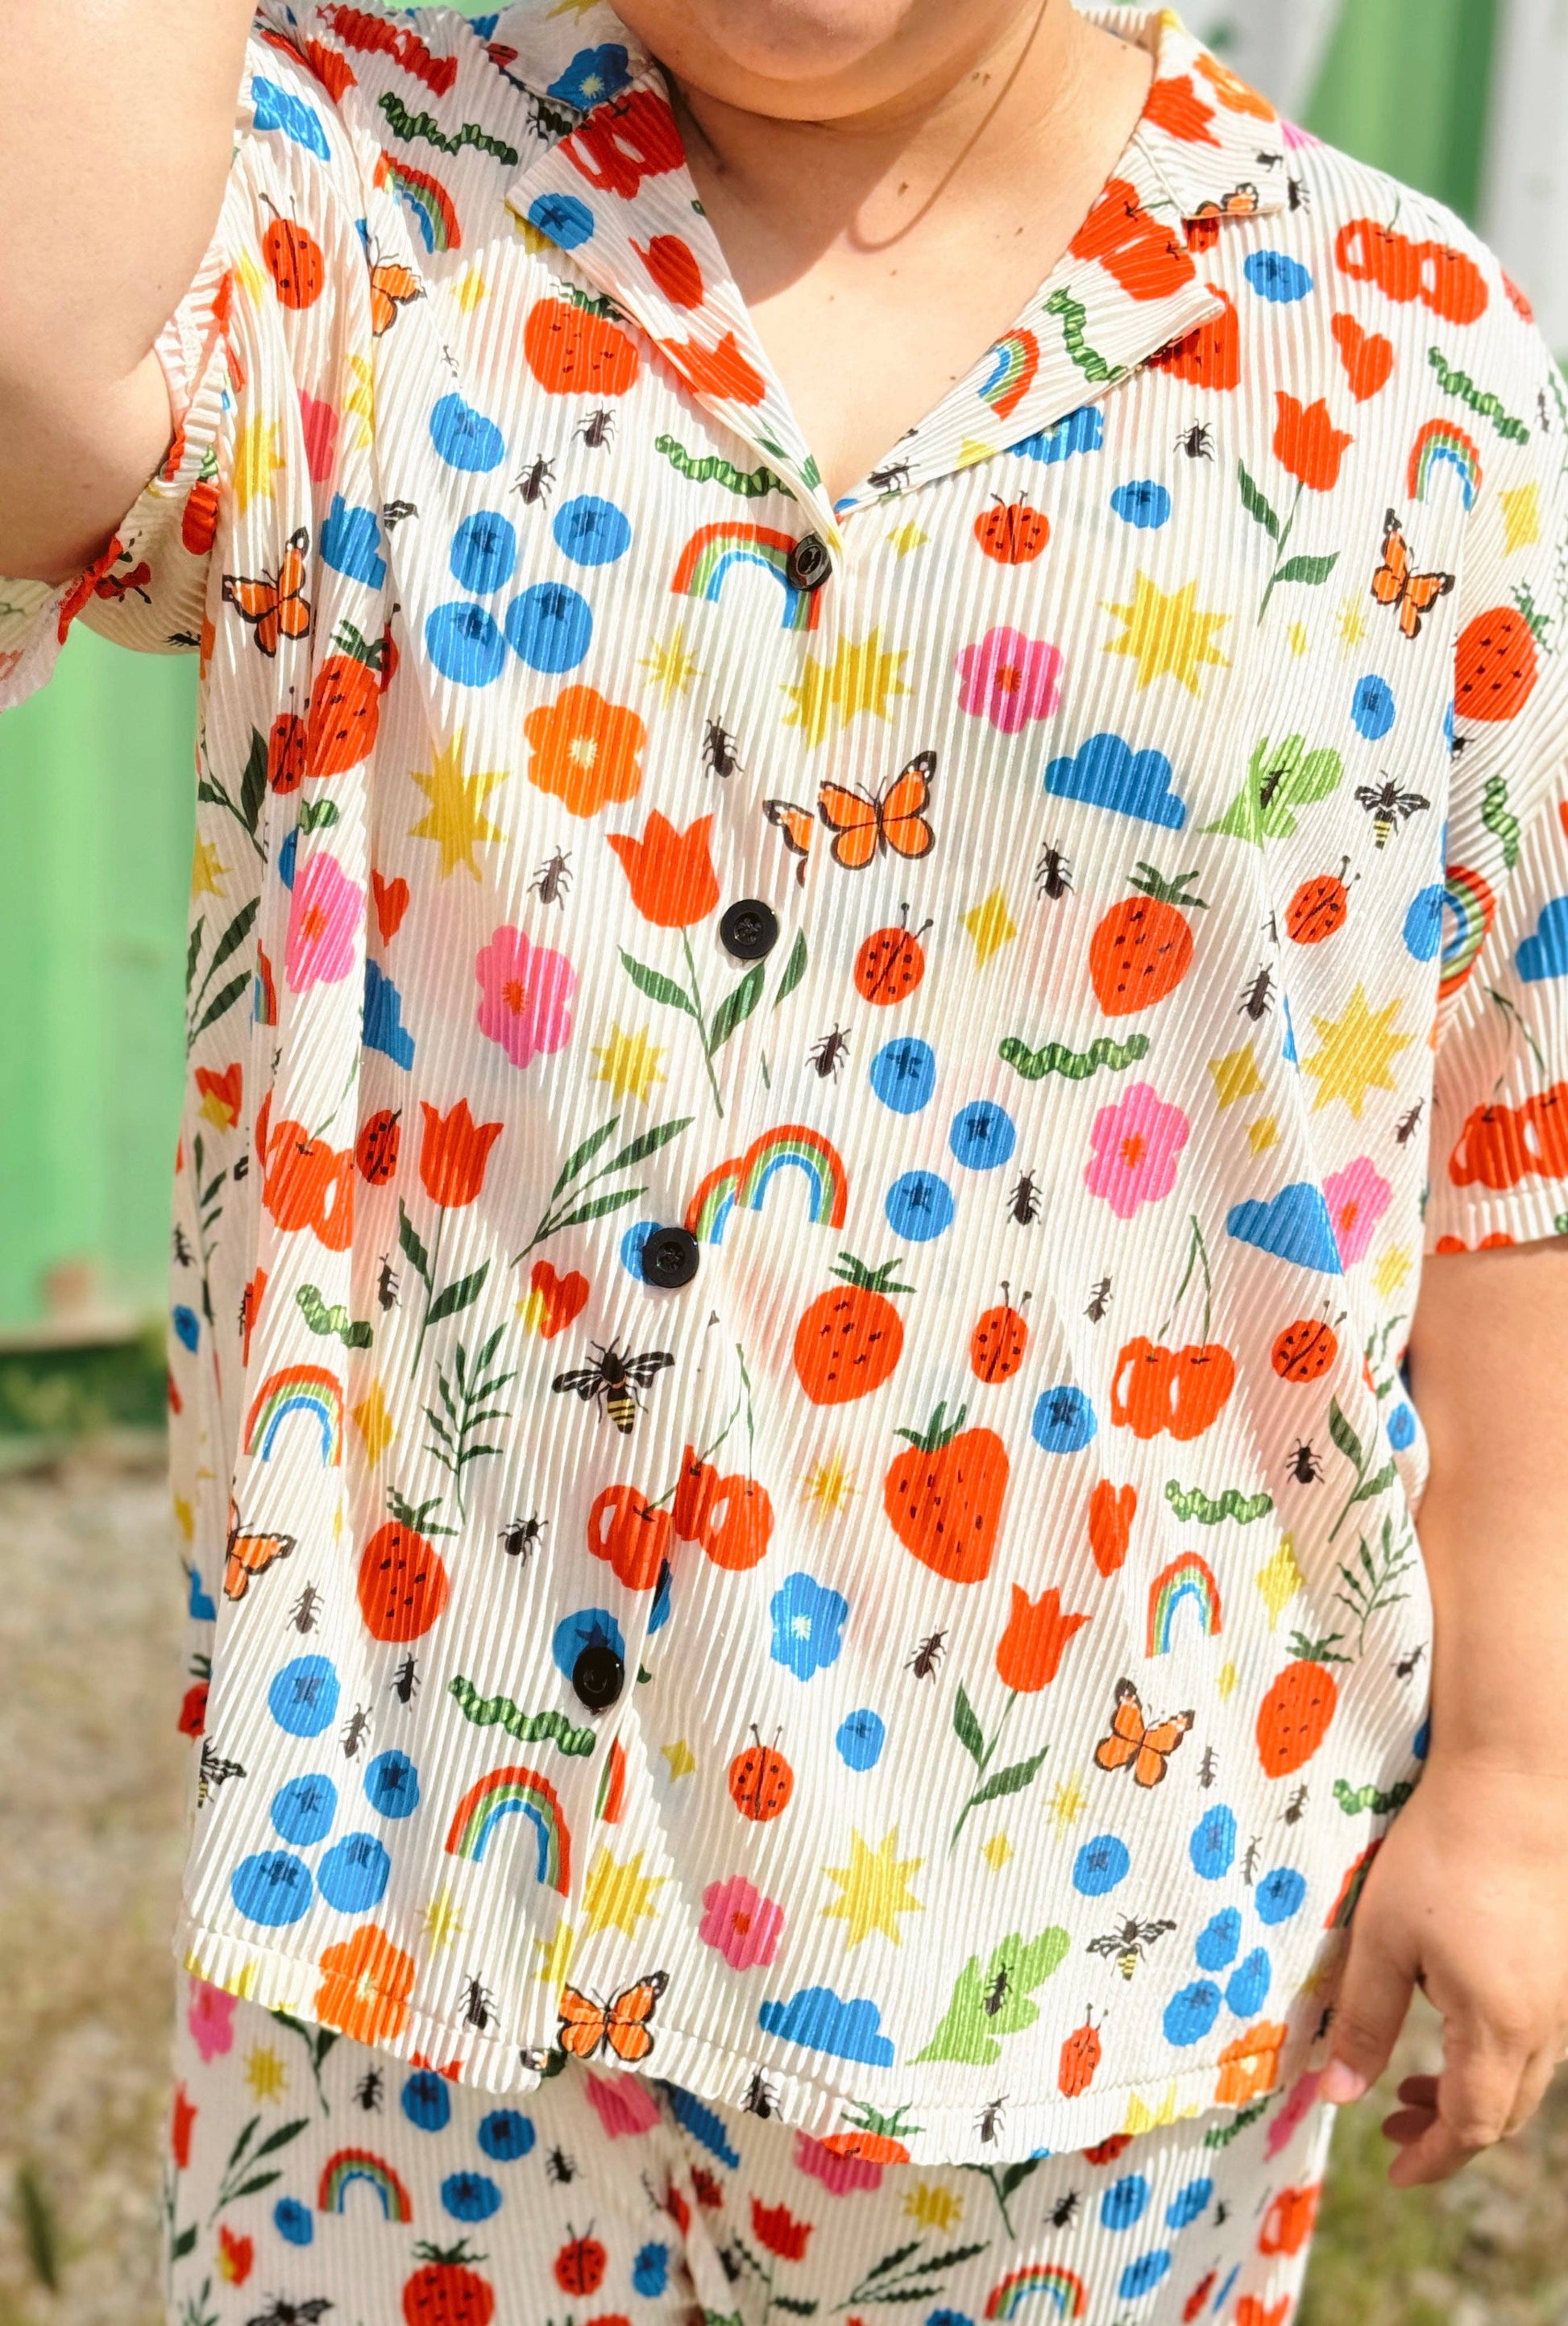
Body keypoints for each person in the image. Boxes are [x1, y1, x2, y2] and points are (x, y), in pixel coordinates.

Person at [4, 0, 1568, 2317]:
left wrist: (1520, 1774)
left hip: (1087, 1941)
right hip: (425, 1904)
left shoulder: (1405, 366)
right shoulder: (359, 198)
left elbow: (1508, 1134)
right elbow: (27, 370)